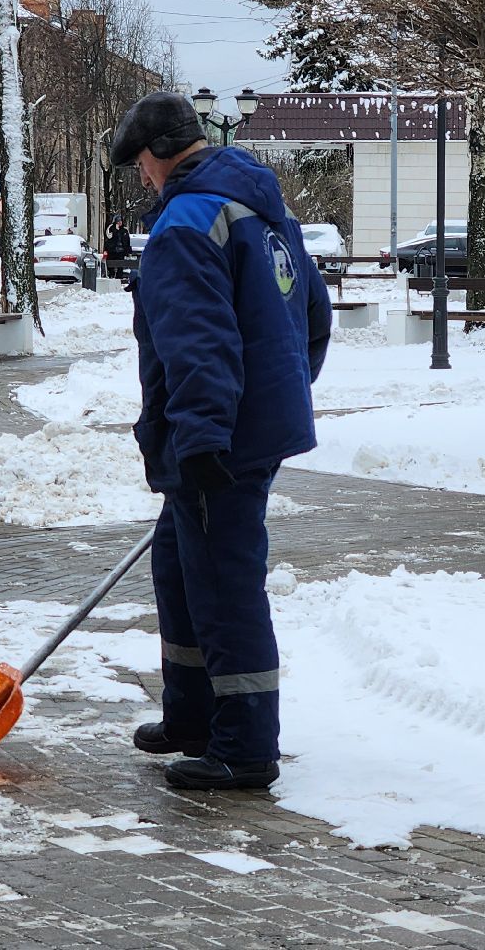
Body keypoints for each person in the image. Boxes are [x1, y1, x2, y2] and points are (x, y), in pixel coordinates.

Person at [109, 91, 332, 791]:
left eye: (141, 166)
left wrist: (204, 439)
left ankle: (243, 747)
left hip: (215, 439)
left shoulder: (185, 221)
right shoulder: (266, 209)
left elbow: (197, 343)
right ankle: (193, 717)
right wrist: (279, 395)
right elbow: (313, 319)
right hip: (247, 427)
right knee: (179, 568)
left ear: (155, 156)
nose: (143, 178)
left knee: (223, 584)